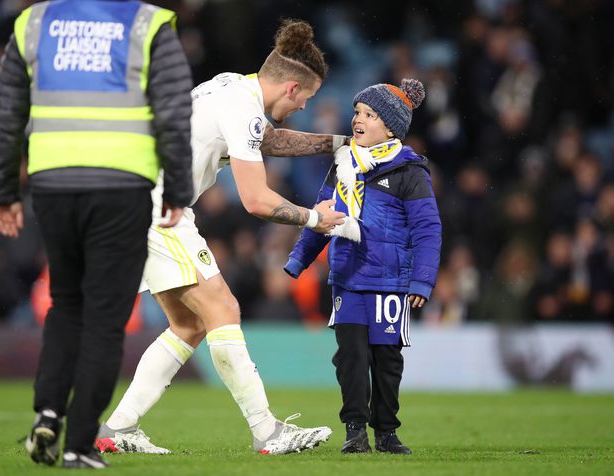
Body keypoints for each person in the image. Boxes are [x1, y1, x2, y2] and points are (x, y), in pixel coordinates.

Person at [94, 19, 346, 456]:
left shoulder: (232, 86)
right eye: (307, 97)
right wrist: (313, 219)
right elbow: (255, 200)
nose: (306, 105)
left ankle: (118, 428)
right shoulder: (244, 109)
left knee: (189, 324)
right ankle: (267, 431)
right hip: (157, 207)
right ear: (291, 88)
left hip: (134, 197)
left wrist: (337, 143)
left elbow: (270, 140)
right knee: (224, 307)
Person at [0, 0, 194, 469]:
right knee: (104, 317)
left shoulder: (34, 21)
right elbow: (174, 112)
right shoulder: (148, 23)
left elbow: (4, 111)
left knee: (67, 303)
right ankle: (79, 444)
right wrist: (178, 187)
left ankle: (48, 411)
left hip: (53, 182)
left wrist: (2, 191)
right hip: (122, 184)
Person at [284, 79, 442, 454]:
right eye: (358, 111)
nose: (359, 119)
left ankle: (386, 432)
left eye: (370, 114)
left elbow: (427, 230)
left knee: (386, 360)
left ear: (390, 127)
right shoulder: (342, 166)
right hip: (349, 280)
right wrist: (298, 259)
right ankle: (355, 430)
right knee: (351, 358)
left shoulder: (410, 172)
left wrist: (421, 281)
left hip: (390, 283)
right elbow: (323, 216)